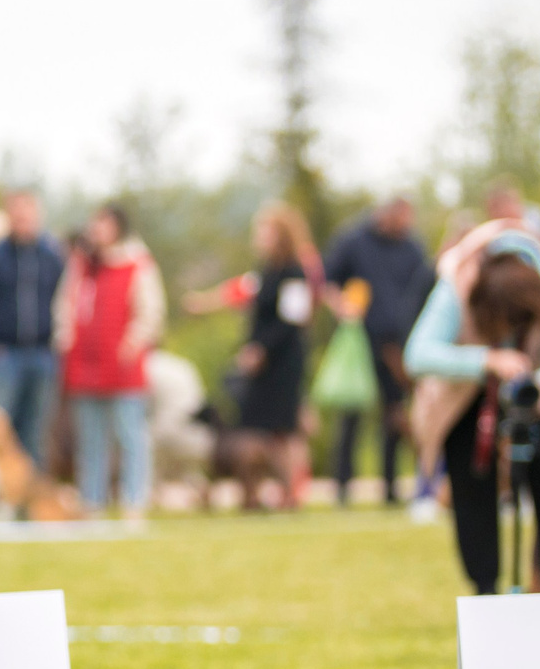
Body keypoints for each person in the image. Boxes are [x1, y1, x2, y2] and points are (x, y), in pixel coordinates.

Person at [404, 221, 540, 592]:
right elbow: (416, 355)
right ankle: (485, 589)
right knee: (472, 486)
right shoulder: (458, 281)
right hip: (471, 392)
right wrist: (487, 360)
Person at [185, 202, 319, 509]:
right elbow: (239, 293)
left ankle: (290, 493)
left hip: (282, 364)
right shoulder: (266, 272)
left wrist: (262, 349)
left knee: (282, 431)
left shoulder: (294, 272)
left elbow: (293, 320)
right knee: (256, 429)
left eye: (265, 230)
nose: (259, 236)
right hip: (261, 366)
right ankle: (253, 493)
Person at [55, 204, 165, 516]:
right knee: (90, 439)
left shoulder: (137, 263)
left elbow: (150, 309)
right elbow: (65, 303)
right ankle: (92, 501)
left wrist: (134, 341)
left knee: (130, 435)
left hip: (123, 364)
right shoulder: (81, 265)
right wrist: (66, 339)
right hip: (85, 363)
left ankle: (134, 501)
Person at [321, 196, 433, 505]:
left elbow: (422, 290)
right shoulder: (353, 240)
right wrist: (340, 306)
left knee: (394, 415)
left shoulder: (412, 247)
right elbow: (327, 280)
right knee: (351, 414)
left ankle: (391, 488)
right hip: (360, 340)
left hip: (396, 344)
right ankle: (343, 487)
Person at [0, 190, 64, 511]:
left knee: (34, 431)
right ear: (9, 216)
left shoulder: (51, 256)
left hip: (41, 353)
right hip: (3, 354)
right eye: (18, 214)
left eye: (29, 213)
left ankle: (29, 505)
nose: (24, 220)